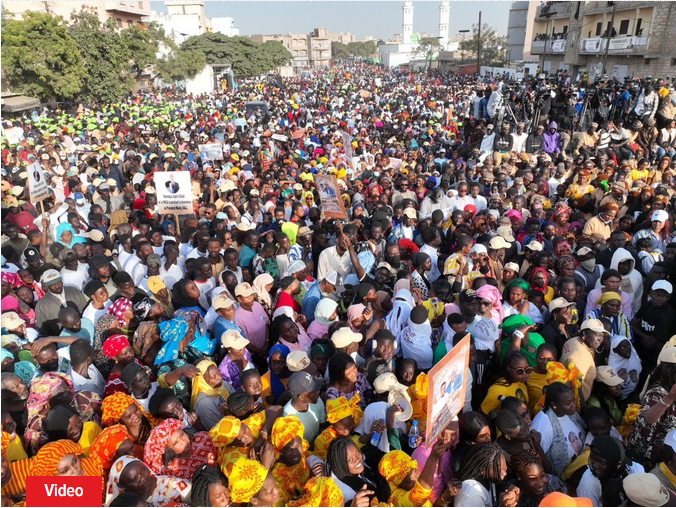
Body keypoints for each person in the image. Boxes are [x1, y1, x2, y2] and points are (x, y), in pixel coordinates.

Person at [530, 382, 587, 477]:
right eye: (568, 403)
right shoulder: (543, 424)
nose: (573, 405)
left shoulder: (569, 413)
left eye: (574, 400)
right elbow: (538, 460)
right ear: (554, 404)